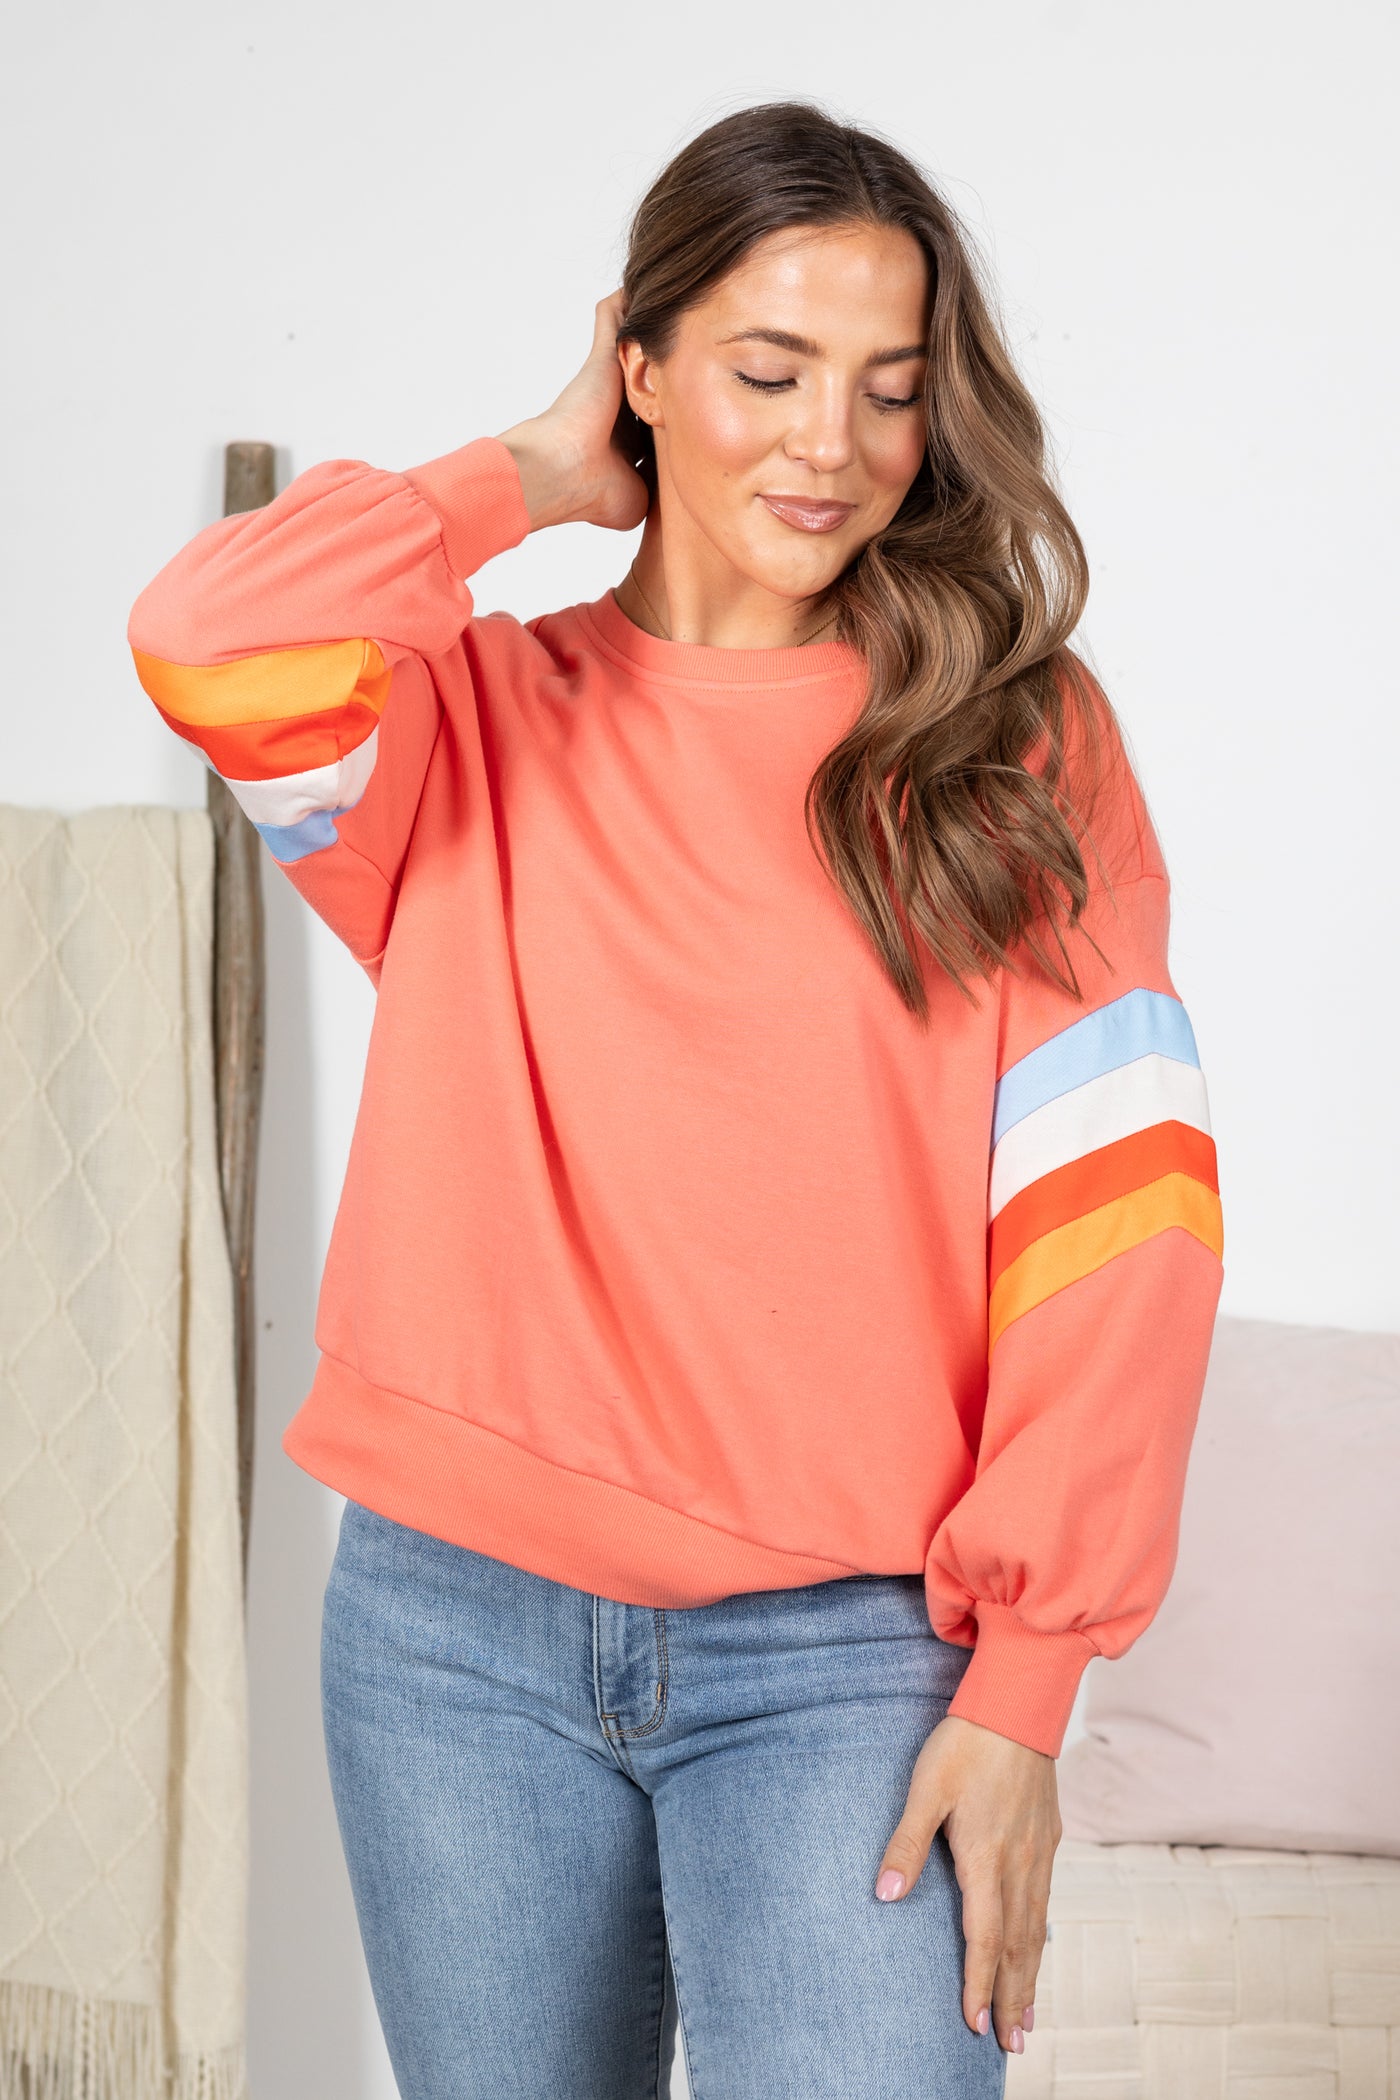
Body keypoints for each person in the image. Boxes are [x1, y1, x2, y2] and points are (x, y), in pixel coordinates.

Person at [128, 99, 1224, 2100]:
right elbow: (205, 636)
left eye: (889, 387)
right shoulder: (463, 723)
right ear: (636, 365)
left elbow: (1118, 1226)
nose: (833, 445)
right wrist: (536, 473)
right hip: (449, 1639)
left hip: (853, 1661)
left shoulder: (1013, 743)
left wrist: (1028, 1683)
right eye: (766, 370)